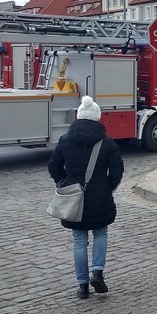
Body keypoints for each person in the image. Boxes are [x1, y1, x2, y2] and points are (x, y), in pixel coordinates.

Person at [48, 96, 124, 299]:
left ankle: (82, 285)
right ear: (97, 117)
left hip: (74, 197)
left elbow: (53, 166)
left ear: (78, 116)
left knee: (79, 240)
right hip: (100, 195)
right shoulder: (106, 142)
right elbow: (117, 170)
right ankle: (97, 271)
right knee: (101, 233)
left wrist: (63, 182)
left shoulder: (65, 140)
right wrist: (108, 188)